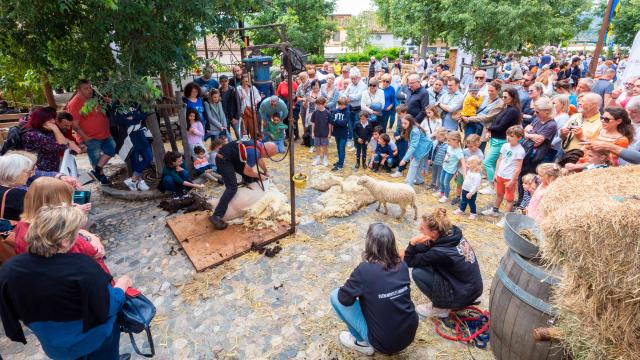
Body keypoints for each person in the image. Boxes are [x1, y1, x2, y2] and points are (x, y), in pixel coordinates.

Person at [0, 205, 133, 359]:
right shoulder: (82, 267)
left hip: (54, 345)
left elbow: (11, 309)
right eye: (76, 233)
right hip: (94, 340)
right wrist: (122, 286)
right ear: (64, 241)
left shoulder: (9, 270)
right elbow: (107, 306)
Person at [330, 223, 418, 356]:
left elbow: (344, 299)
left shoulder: (364, 270)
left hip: (384, 343)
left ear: (369, 244)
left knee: (335, 295)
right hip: (409, 334)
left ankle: (361, 343)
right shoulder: (402, 264)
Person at [12, 177, 108, 274]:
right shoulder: (61, 234)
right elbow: (94, 253)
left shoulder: (23, 224)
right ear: (55, 204)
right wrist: (93, 237)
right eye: (67, 199)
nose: (72, 203)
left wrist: (86, 233)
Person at [404, 208, 483, 318]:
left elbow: (409, 261)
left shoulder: (439, 252)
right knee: (428, 265)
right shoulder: (452, 233)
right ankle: (454, 301)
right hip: (472, 288)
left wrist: (412, 243)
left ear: (434, 232)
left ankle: (441, 309)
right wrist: (425, 243)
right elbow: (424, 251)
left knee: (418, 273)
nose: (419, 229)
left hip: (464, 293)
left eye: (422, 228)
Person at [209, 140, 277, 230]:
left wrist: (265, 171)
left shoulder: (259, 145)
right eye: (268, 156)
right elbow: (247, 170)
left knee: (250, 176)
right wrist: (259, 175)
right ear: (266, 151)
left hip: (231, 157)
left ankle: (246, 181)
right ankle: (217, 215)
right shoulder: (254, 152)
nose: (267, 158)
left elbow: (259, 159)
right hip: (224, 160)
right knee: (232, 188)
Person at [67, 79, 115, 184]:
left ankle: (97, 171)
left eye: (90, 87)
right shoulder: (75, 103)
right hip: (91, 137)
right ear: (79, 90)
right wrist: (85, 137)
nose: (90, 90)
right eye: (86, 88)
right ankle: (103, 179)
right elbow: (75, 125)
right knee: (96, 159)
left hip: (105, 134)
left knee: (112, 149)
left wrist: (106, 101)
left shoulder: (93, 98)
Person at [481, 87, 522, 195]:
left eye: (505, 97)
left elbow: (501, 126)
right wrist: (490, 130)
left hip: (501, 140)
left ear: (513, 98)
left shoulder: (512, 111)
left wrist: (489, 129)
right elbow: (495, 121)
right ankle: (494, 182)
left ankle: (492, 186)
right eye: (502, 96)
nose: (503, 99)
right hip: (496, 139)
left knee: (488, 162)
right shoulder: (507, 108)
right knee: (492, 163)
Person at [482, 125, 526, 227]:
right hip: (500, 175)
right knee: (499, 194)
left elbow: (518, 168)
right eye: (508, 135)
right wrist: (496, 174)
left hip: (509, 178)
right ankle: (495, 210)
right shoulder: (505, 146)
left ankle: (505, 219)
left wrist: (512, 180)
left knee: (509, 199)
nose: (508, 138)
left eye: (512, 136)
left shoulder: (520, 151)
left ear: (519, 138)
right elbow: (499, 159)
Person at [109, 102, 153, 192]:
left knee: (149, 157)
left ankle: (133, 179)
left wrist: (134, 118)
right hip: (128, 136)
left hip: (140, 133)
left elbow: (145, 114)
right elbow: (118, 120)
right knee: (134, 160)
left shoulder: (135, 103)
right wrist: (135, 118)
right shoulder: (116, 105)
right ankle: (138, 182)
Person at [21, 107, 81, 172]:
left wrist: (70, 143)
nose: (53, 121)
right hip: (41, 172)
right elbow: (61, 146)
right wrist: (56, 129)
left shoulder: (46, 131)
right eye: (50, 119)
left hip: (52, 170)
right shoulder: (32, 135)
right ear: (41, 120)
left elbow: (63, 142)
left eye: (53, 118)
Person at [558, 93, 603, 165]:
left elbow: (600, 148)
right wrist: (563, 134)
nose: (579, 103)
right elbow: (562, 136)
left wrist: (582, 137)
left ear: (593, 105)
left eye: (583, 101)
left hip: (579, 160)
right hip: (562, 153)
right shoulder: (575, 116)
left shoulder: (601, 123)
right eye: (579, 101)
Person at [397, 115, 432, 185]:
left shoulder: (415, 131)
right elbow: (411, 142)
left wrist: (404, 159)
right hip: (421, 146)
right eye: (402, 123)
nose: (403, 125)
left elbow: (413, 146)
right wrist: (411, 155)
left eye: (405, 123)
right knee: (418, 164)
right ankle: (419, 180)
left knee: (413, 164)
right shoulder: (410, 128)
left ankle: (408, 184)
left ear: (411, 122)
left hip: (423, 148)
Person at [0, 153, 33, 222]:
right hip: (11, 231)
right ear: (15, 172)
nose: (30, 175)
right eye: (28, 172)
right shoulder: (18, 194)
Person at [436, 132, 464, 203]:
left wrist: (460, 172)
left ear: (456, 140)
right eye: (447, 140)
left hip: (450, 171)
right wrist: (443, 162)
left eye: (449, 140)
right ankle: (442, 193)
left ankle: (446, 196)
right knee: (441, 180)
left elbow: (462, 163)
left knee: (446, 182)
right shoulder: (449, 147)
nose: (447, 142)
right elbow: (447, 155)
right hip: (444, 167)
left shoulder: (459, 152)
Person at [343, 69, 368, 147]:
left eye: (355, 78)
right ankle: (353, 141)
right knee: (350, 126)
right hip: (350, 108)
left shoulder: (363, 85)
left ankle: (358, 144)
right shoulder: (350, 84)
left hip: (359, 109)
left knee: (357, 126)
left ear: (359, 78)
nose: (353, 80)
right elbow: (344, 94)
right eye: (352, 78)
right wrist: (349, 96)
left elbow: (358, 96)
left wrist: (349, 96)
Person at [219, 75, 242, 140]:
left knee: (238, 134)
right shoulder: (218, 92)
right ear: (220, 82)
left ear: (228, 81)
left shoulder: (233, 90)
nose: (224, 83)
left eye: (225, 81)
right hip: (224, 117)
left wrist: (236, 117)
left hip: (233, 117)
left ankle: (241, 148)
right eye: (222, 81)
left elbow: (238, 104)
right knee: (227, 136)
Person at [330, 97, 350, 172]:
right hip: (336, 133)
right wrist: (337, 122)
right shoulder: (335, 111)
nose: (340, 106)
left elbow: (344, 122)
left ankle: (340, 165)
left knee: (342, 149)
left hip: (343, 133)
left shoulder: (347, 112)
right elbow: (331, 120)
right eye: (339, 105)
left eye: (342, 105)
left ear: (345, 105)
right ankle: (340, 161)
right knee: (338, 148)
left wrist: (336, 121)